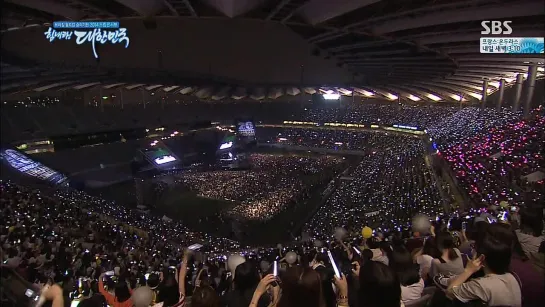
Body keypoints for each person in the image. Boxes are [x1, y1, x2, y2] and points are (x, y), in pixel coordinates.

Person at [447, 223, 522, 306]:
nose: (472, 251)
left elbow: (449, 293)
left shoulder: (481, 285)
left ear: (481, 258)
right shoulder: (512, 277)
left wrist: (468, 270)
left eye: (474, 248)